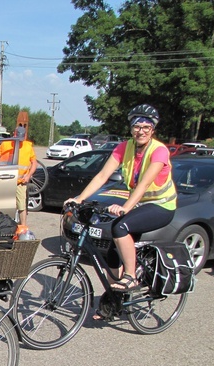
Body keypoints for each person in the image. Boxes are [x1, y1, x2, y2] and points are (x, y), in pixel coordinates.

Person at [68, 104, 176, 292]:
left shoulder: (159, 151)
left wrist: (126, 207)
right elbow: (102, 176)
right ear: (131, 128)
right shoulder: (123, 148)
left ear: (153, 129)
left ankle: (131, 276)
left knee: (120, 227)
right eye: (136, 126)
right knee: (112, 252)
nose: (140, 131)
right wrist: (79, 198)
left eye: (146, 127)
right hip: (140, 205)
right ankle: (114, 300)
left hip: (162, 206)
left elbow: (143, 185)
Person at [0, 137, 38, 230]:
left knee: (21, 205)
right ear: (14, 134)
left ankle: (23, 227)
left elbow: (34, 163)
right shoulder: (5, 144)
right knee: (5, 205)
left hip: (20, 182)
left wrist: (28, 176)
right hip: (5, 181)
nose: (20, 140)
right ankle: (3, 226)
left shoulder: (28, 146)